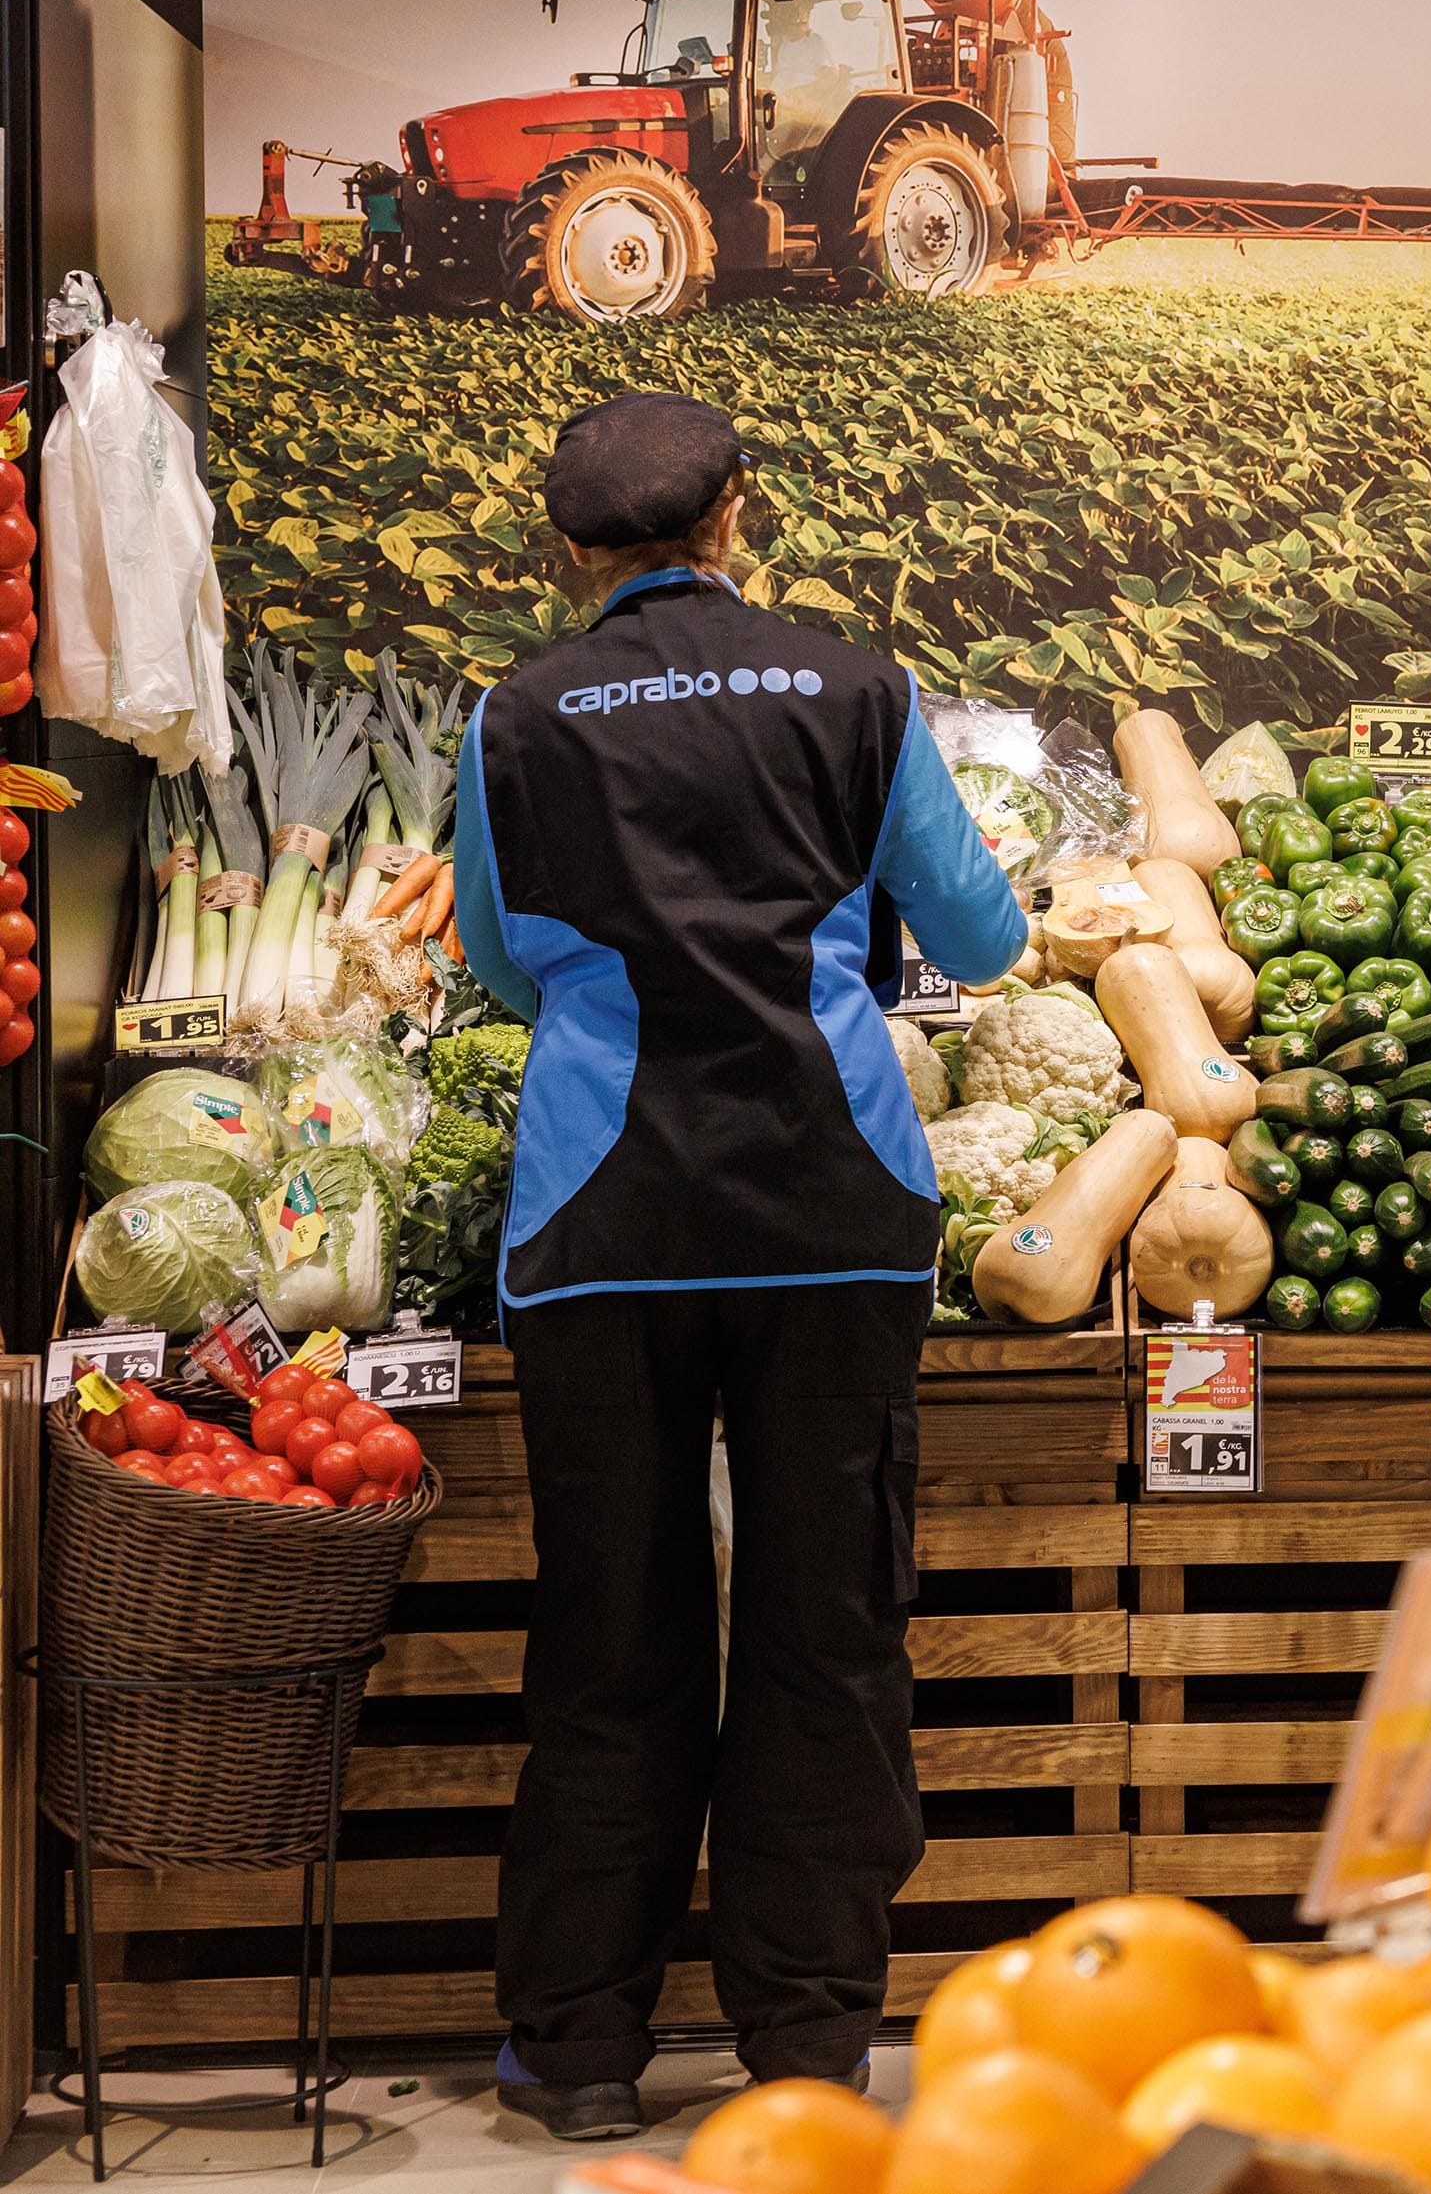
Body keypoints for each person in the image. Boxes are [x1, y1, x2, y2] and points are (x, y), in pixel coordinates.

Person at [449, 391, 1026, 2138]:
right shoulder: (859, 689)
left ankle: (580, 2050)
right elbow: (982, 933)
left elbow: (496, 958)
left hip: (602, 1222)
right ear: (736, 518)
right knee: (822, 1620)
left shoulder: (518, 714)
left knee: (610, 1628)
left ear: (574, 553)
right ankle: (805, 2044)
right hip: (826, 1213)